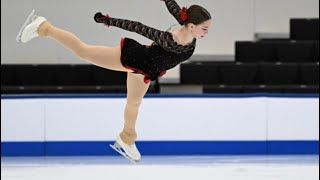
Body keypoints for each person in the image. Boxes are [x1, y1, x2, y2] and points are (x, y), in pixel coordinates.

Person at [16, 0, 212, 161]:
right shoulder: (170, 39)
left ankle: (127, 137)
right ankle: (44, 27)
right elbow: (138, 27)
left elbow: (172, 5)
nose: (206, 33)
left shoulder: (187, 23)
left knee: (134, 103)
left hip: (146, 70)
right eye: (205, 29)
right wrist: (109, 20)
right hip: (134, 59)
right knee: (84, 51)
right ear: (193, 26)